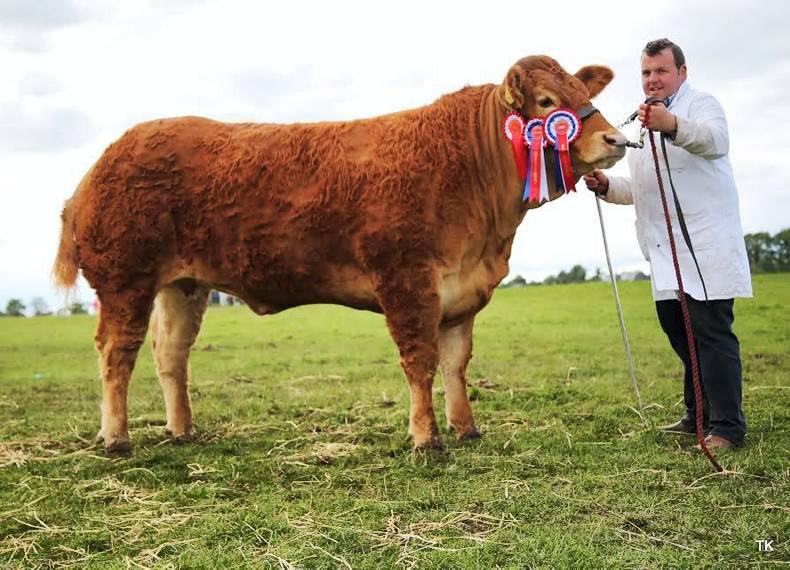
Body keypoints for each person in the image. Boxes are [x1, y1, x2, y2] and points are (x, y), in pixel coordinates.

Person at [584, 38, 752, 449]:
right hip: (664, 252)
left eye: (661, 70)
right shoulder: (643, 120)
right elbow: (644, 188)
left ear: (682, 72)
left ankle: (728, 427)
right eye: (646, 72)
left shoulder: (702, 105)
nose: (653, 79)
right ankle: (698, 414)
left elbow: (715, 141)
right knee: (681, 335)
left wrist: (672, 124)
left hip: (703, 246)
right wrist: (607, 186)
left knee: (711, 335)